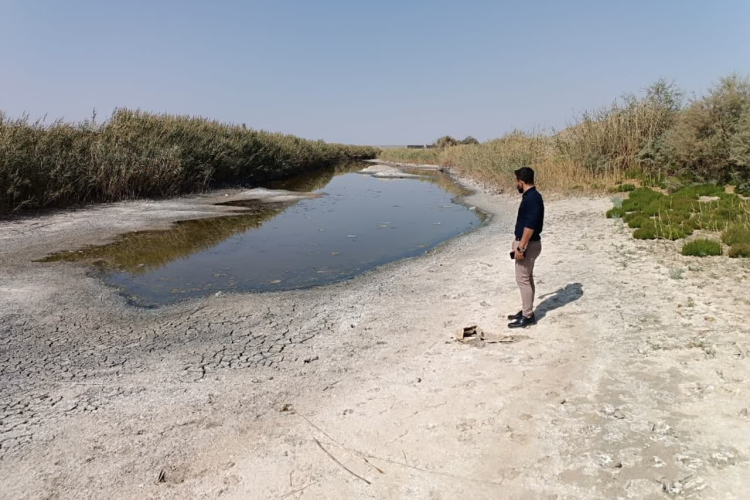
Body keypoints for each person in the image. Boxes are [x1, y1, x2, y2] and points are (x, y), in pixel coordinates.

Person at [507, 167, 544, 329]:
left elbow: (530, 226)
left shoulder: (532, 199)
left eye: (517, 182)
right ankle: (525, 310)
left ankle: (528, 315)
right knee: (527, 278)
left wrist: (521, 247)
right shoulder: (531, 196)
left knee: (522, 279)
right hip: (527, 243)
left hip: (528, 245)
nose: (516, 185)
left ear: (521, 182)